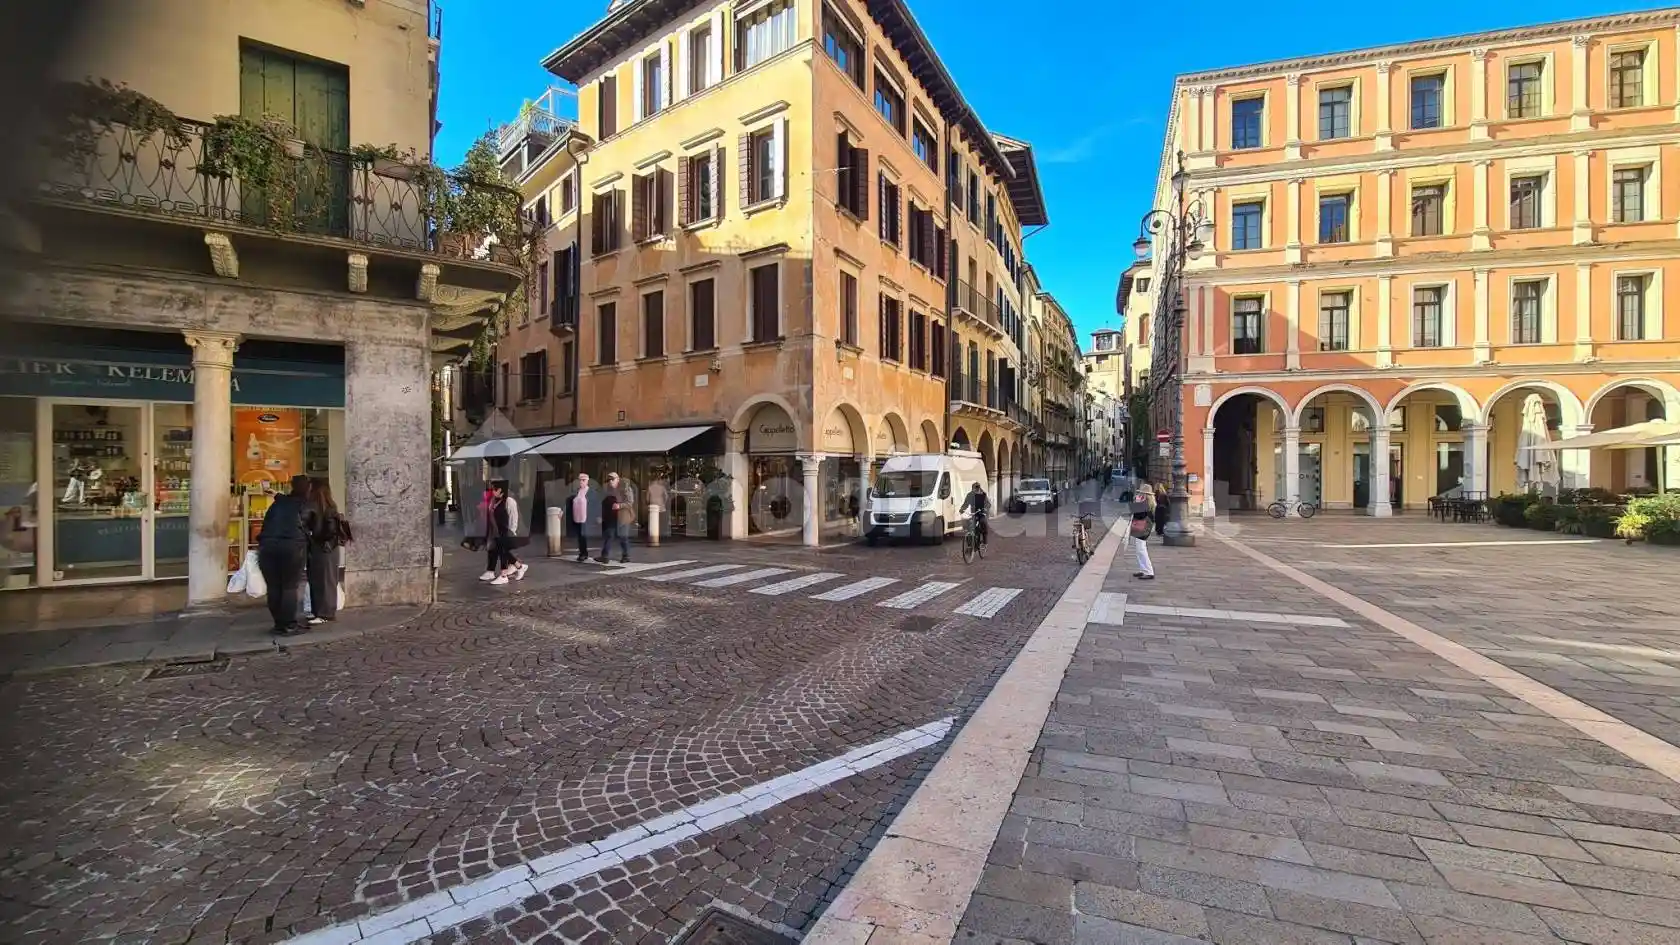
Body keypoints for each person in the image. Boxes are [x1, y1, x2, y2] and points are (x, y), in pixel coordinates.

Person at [258, 476, 311, 635]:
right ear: (308, 489)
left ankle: (279, 624)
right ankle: (289, 624)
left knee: (274, 586)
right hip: (291, 547)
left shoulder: (279, 503)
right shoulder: (304, 505)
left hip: (267, 546)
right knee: (289, 586)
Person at [302, 477, 342, 624]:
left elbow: (330, 532)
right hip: (320, 548)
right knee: (317, 580)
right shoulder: (321, 507)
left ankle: (325, 613)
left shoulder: (327, 508)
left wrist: (313, 534)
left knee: (325, 581)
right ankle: (318, 611)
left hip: (325, 549)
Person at [484, 480, 526, 585]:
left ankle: (504, 575)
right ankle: (520, 567)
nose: (492, 491)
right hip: (497, 531)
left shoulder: (509, 501)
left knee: (503, 552)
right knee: (502, 551)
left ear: (501, 490)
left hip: (505, 531)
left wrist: (512, 531)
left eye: (495, 489)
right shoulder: (495, 500)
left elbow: (514, 517)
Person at [596, 471, 635, 564]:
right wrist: (600, 515)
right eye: (609, 480)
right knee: (609, 535)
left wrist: (620, 506)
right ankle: (604, 556)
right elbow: (602, 503)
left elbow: (630, 502)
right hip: (611, 516)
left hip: (623, 515)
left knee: (623, 536)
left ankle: (626, 556)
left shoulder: (625, 488)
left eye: (612, 479)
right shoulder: (607, 489)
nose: (610, 481)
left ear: (618, 479)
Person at [565, 473, 596, 562]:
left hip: (585, 518)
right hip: (576, 517)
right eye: (580, 480)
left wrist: (596, 516)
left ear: (587, 481)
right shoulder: (576, 491)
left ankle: (583, 554)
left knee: (582, 535)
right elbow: (569, 502)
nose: (581, 482)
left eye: (584, 480)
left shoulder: (591, 492)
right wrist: (562, 511)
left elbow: (595, 505)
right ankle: (582, 552)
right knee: (579, 536)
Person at [1131, 482, 1157, 581]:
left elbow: (1138, 515)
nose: (1139, 495)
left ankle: (1149, 571)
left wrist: (1136, 503)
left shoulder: (1145, 503)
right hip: (1142, 527)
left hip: (1143, 528)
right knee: (1139, 549)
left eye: (1141, 493)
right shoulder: (1147, 502)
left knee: (1141, 549)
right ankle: (1143, 569)